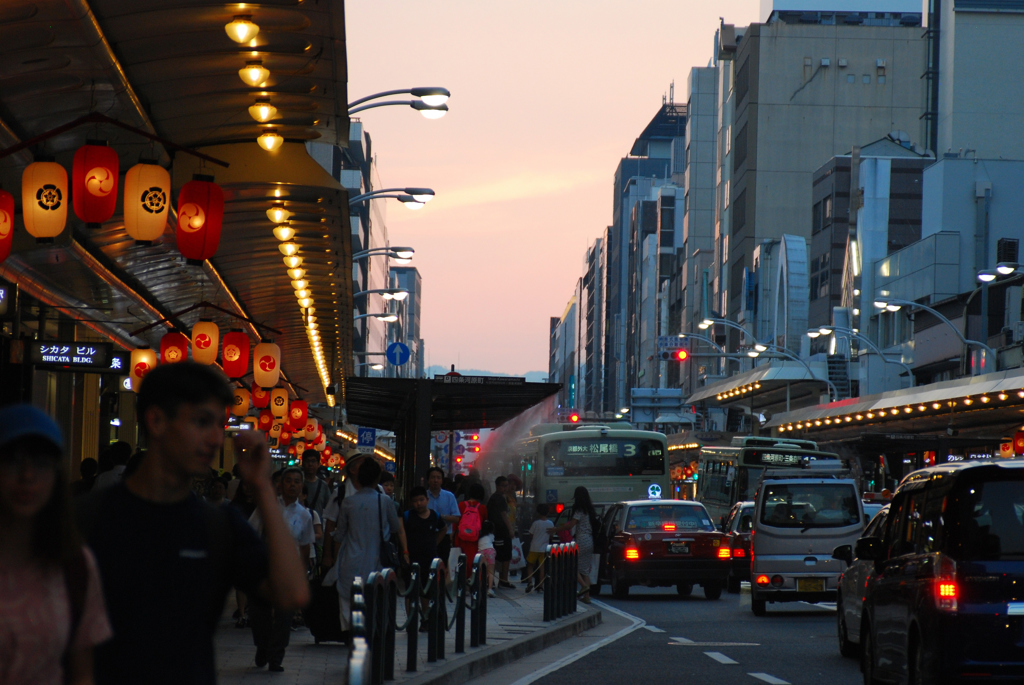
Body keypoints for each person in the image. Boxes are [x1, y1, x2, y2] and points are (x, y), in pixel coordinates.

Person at [77, 362, 310, 684]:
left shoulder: (217, 525)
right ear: (157, 420)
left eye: (220, 424)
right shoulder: (87, 519)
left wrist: (263, 487)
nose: (215, 439)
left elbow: (291, 594)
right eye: (202, 422)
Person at [0, 404, 112, 685]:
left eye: (40, 463)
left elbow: (82, 673)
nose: (27, 476)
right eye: (12, 460)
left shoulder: (74, 565)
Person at [334, 458, 409, 641]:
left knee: (350, 600)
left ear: (358, 478)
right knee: (374, 601)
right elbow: (394, 526)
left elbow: (340, 533)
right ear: (377, 479)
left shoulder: (348, 502)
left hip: (350, 561)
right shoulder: (384, 501)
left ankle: (354, 634)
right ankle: (371, 636)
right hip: (377, 562)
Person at [248, 467, 314, 672]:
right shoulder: (266, 508)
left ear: (301, 486)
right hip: (264, 567)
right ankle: (262, 645)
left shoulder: (305, 515)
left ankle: (276, 656)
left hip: (288, 572)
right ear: (280, 484)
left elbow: (305, 546)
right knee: (260, 613)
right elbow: (251, 533)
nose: (292, 484)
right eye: (289, 481)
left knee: (284, 617)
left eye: (296, 481)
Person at [402, 486, 447, 628]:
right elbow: (401, 533)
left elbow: (443, 529)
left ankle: (426, 620)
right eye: (415, 501)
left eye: (421, 500)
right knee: (410, 590)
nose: (419, 504)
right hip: (412, 559)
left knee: (427, 592)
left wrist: (435, 543)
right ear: (411, 502)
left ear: (427, 500)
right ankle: (411, 621)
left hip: (429, 558)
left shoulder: (435, 516)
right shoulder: (408, 516)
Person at [555, 486, 597, 603]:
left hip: (581, 540)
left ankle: (584, 587)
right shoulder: (590, 510)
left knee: (571, 566)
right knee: (584, 570)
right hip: (590, 540)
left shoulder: (579, 510)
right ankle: (587, 597)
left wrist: (556, 529)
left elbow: (571, 525)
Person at [425, 466, 460, 566]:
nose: (435, 480)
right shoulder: (423, 496)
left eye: (438, 477)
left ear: (442, 480)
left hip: (444, 538)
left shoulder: (449, 496)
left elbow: (456, 518)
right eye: (433, 477)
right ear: (428, 480)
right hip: (427, 536)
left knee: (442, 566)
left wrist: (440, 517)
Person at [453, 482, 488, 577]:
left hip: (460, 538)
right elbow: (484, 523)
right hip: (475, 539)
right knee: (473, 561)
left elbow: (456, 522)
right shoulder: (482, 508)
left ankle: (461, 582)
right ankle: (472, 582)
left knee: (460, 560)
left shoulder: (461, 505)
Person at [487, 476, 515, 588]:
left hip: (495, 531)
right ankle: (502, 580)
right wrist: (510, 529)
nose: (506, 488)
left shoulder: (494, 497)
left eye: (506, 485)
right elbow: (504, 515)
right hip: (501, 531)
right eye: (504, 485)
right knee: (504, 556)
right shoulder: (499, 498)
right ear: (497, 486)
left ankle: (497, 580)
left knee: (499, 555)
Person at [525, 503, 554, 593]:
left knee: (530, 565)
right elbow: (551, 536)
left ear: (538, 512)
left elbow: (531, 534)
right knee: (542, 567)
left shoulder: (536, 523)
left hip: (534, 547)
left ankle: (530, 582)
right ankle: (540, 586)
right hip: (544, 548)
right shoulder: (550, 523)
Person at [301, 450, 330, 518]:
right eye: (307, 461)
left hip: (316, 526)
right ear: (303, 463)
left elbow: (329, 508)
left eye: (313, 461)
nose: (310, 464)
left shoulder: (323, 485)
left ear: (318, 464)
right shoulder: (298, 483)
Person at [476, 521, 497, 597]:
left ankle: (480, 587)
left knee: (481, 571)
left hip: (481, 552)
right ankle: (490, 589)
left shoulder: (479, 536)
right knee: (490, 572)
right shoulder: (491, 536)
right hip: (490, 551)